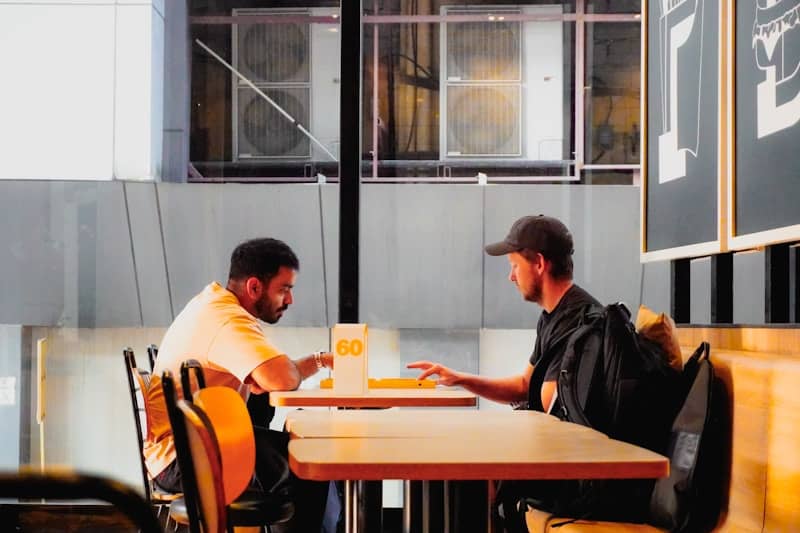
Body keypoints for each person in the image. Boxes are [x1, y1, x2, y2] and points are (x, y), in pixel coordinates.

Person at [144, 237, 333, 532]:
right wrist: (292, 369)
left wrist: (319, 360)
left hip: (192, 446)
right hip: (187, 458)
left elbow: (274, 375)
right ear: (254, 287)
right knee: (308, 462)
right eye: (284, 289)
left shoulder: (213, 305)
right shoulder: (227, 320)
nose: (290, 300)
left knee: (303, 451)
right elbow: (280, 378)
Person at [408, 214, 600, 414]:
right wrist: (460, 379)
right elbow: (525, 386)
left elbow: (545, 404)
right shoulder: (553, 315)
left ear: (540, 264)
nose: (511, 277)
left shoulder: (576, 320)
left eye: (515, 266)